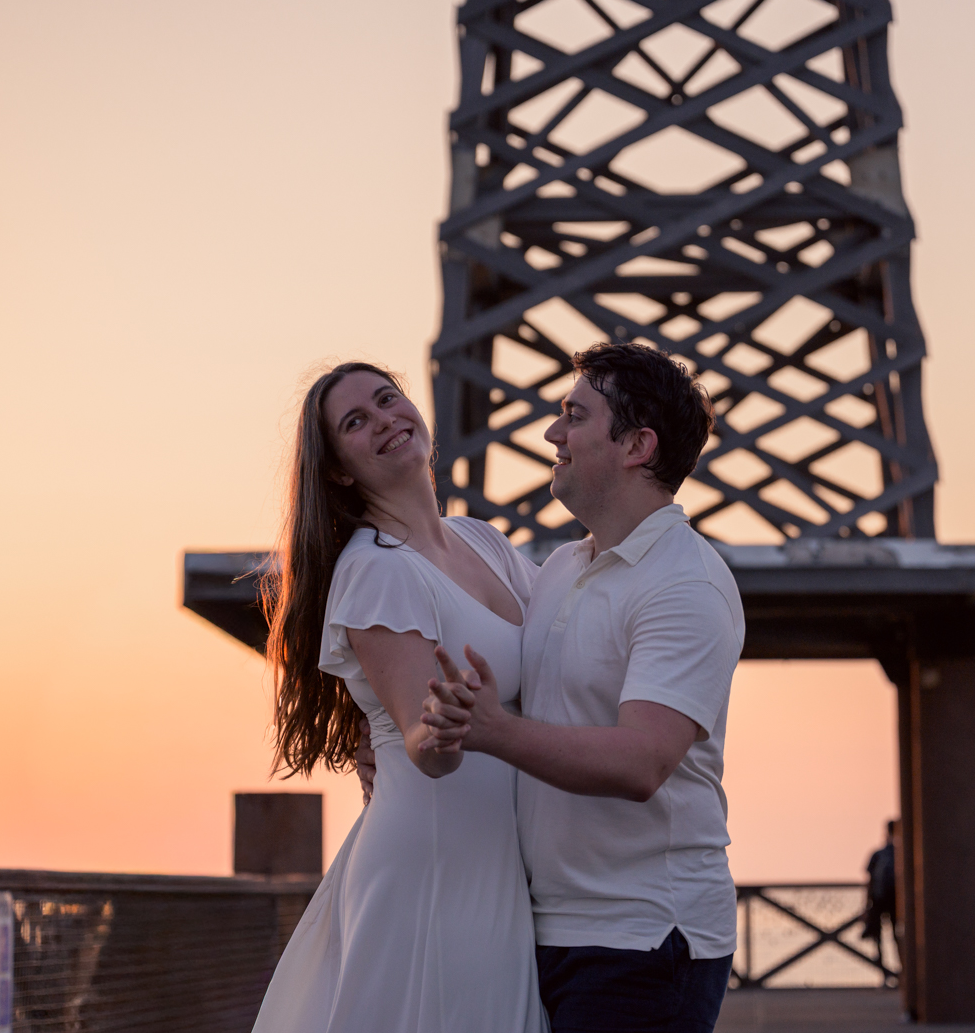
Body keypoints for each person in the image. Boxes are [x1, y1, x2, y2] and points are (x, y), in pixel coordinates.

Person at [421, 342, 745, 1033]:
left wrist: (493, 731)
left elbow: (641, 760)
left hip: (644, 936)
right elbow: (530, 707)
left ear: (635, 445)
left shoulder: (686, 583)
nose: (552, 434)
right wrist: (411, 734)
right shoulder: (564, 565)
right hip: (546, 923)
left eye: (573, 415)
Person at [250, 361, 546, 1033]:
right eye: (356, 422)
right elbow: (423, 741)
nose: (384, 418)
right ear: (339, 471)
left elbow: (573, 621)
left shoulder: (482, 540)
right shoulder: (377, 569)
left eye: (389, 399)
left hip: (497, 861)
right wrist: (439, 730)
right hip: (434, 870)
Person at [860, 820, 897, 968]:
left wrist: (866, 906)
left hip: (879, 900)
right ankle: (901, 972)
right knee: (897, 937)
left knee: (879, 937)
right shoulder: (900, 854)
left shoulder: (878, 854)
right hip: (893, 901)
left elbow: (869, 882)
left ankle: (885, 972)